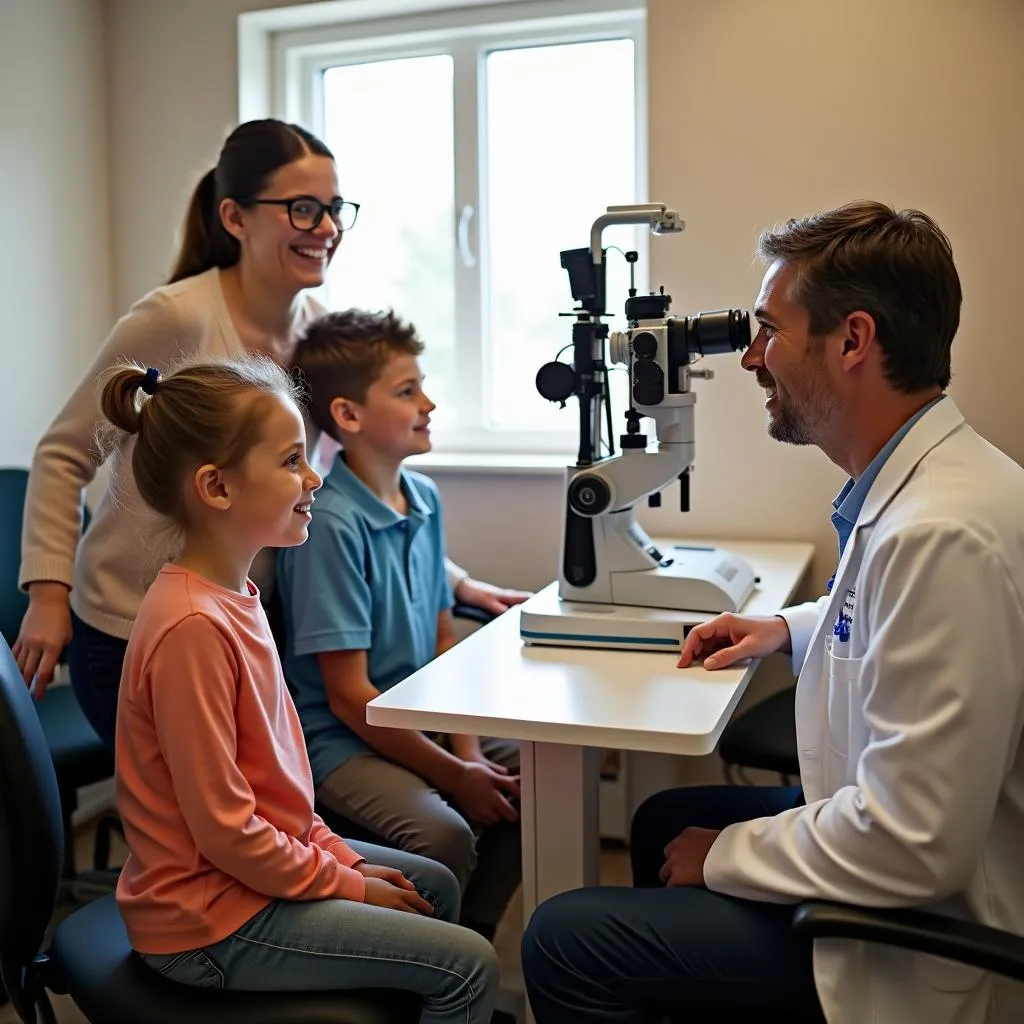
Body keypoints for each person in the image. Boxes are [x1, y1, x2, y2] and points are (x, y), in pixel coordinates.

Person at [520, 201, 1024, 1024]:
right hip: (905, 857)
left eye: (768, 331)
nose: (751, 357)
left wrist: (727, 856)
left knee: (561, 939)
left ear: (853, 341)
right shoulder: (935, 484)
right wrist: (791, 628)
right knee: (662, 821)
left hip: (918, 938)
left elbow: (914, 845)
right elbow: (889, 615)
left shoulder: (941, 536)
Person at [13, 117, 527, 750]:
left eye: (335, 209)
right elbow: (65, 453)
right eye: (304, 210)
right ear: (235, 217)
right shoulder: (176, 318)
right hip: (133, 622)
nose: (329, 229)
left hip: (244, 613)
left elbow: (353, 483)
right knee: (186, 826)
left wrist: (452, 580)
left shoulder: (315, 333)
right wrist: (48, 595)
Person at [102, 356, 500, 1022]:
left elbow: (281, 795)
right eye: (291, 461)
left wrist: (338, 857)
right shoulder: (193, 629)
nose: (314, 477)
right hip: (206, 921)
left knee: (428, 883)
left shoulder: (238, 598)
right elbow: (227, 833)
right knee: (468, 966)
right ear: (217, 488)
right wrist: (344, 883)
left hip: (244, 880)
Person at [277, 309, 523, 942]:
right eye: (407, 391)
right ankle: (424, 973)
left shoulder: (425, 497)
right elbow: (348, 696)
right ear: (348, 416)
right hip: (339, 739)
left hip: (416, 711)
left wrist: (466, 752)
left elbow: (446, 643)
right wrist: (452, 774)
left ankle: (469, 945)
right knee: (444, 831)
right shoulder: (330, 525)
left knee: (537, 779)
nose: (429, 402)